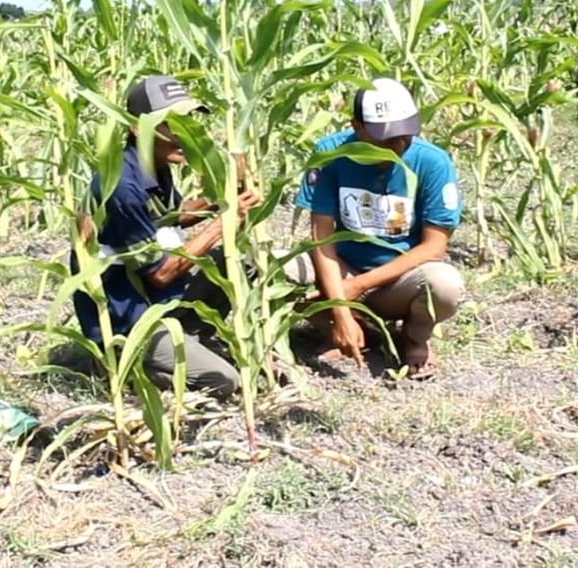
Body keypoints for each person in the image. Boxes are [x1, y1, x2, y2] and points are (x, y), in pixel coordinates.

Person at [68, 74, 261, 398]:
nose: (183, 133)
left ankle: (188, 339)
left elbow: (172, 217)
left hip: (154, 298)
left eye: (186, 121)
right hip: (128, 320)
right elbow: (160, 274)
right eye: (171, 124)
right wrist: (224, 222)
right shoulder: (122, 186)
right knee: (223, 380)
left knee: (240, 264)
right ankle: (121, 364)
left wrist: (224, 195)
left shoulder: (154, 164)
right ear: (137, 128)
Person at [285, 77, 465, 379]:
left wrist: (359, 286)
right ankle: (345, 328)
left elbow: (433, 246)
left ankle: (413, 336)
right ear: (357, 127)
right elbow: (321, 239)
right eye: (386, 138)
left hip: (398, 279)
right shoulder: (330, 153)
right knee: (276, 270)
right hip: (342, 270)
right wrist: (340, 306)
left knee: (445, 286)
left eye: (405, 135)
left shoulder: (432, 162)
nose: (398, 145)